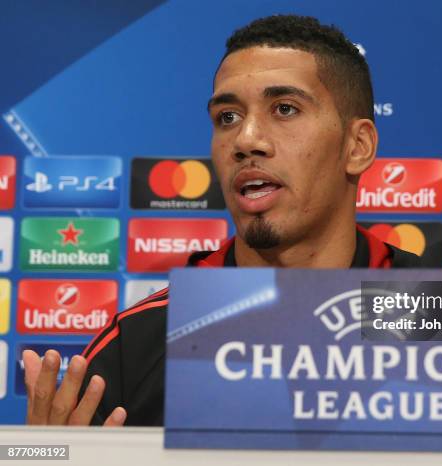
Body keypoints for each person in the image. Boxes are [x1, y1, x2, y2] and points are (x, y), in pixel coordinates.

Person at [22, 14, 420, 427]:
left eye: (284, 109)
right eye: (227, 117)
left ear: (357, 146)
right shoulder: (138, 343)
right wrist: (47, 455)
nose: (246, 140)